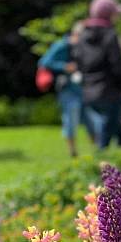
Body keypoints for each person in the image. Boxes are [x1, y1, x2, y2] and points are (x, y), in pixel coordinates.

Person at [75, 0, 121, 150]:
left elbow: (78, 61)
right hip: (109, 89)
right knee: (106, 133)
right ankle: (102, 164)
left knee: (116, 127)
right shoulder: (110, 35)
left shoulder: (83, 35)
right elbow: (117, 65)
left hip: (88, 90)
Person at [40, 21, 87, 157]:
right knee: (70, 119)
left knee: (91, 120)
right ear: (75, 34)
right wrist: (64, 66)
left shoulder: (83, 47)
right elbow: (44, 62)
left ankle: (97, 149)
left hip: (83, 88)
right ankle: (73, 152)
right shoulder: (61, 45)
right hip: (67, 88)